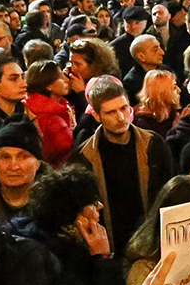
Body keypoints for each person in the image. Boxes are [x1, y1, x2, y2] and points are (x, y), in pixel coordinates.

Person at [72, 76, 172, 247]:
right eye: (110, 112)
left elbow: (170, 189)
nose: (120, 117)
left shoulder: (153, 144)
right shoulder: (85, 157)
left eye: (124, 108)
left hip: (152, 239)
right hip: (112, 244)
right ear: (96, 115)